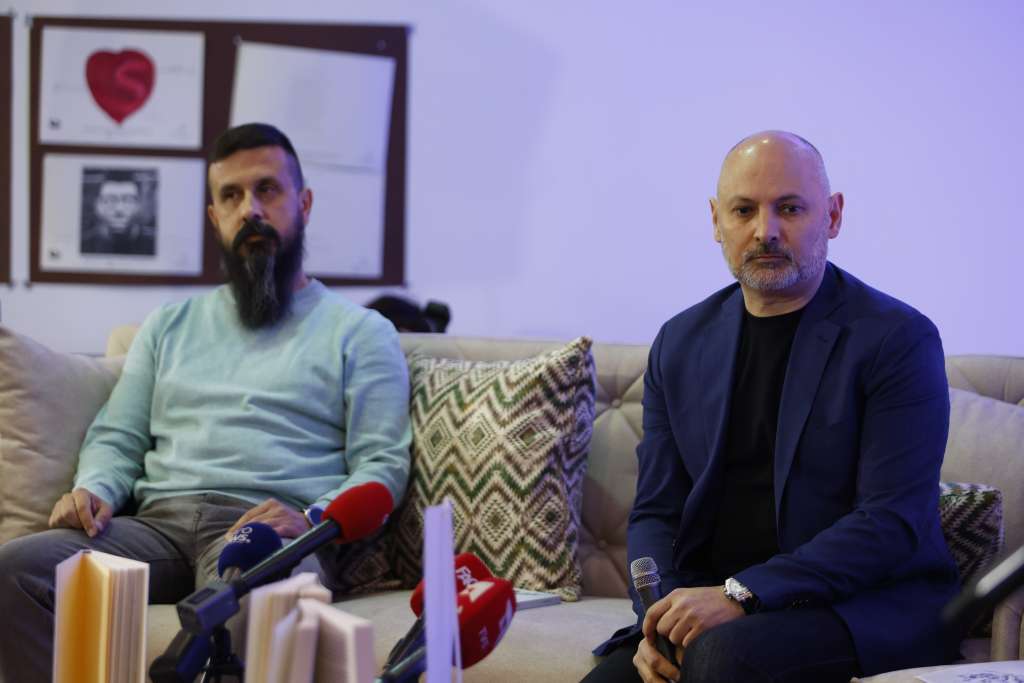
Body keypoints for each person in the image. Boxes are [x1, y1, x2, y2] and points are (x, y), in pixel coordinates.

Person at [0, 123, 412, 681]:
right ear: (214, 217)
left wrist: (312, 520)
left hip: (265, 527)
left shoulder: (361, 332)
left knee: (263, 590)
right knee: (15, 570)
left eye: (267, 189)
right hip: (155, 528)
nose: (250, 210)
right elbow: (118, 436)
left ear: (304, 203)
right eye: (231, 196)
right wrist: (94, 489)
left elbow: (382, 465)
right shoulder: (168, 325)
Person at [582, 131, 960, 682]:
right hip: (720, 606)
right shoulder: (680, 342)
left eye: (790, 208)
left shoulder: (897, 339)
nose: (766, 231)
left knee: (721, 659)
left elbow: (890, 521)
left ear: (833, 216)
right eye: (744, 210)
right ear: (716, 221)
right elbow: (656, 512)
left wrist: (743, 593)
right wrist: (657, 617)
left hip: (859, 606)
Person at [80, 172, 157, 256]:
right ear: (97, 205)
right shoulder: (83, 245)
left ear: (138, 205)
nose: (119, 209)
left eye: (128, 200)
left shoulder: (156, 244)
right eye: (109, 200)